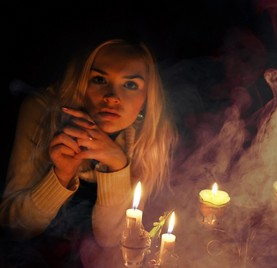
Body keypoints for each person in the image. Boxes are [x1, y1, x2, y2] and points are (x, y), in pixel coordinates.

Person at [0, 38, 178, 254]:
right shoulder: (41, 112)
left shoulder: (152, 135)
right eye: (99, 79)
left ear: (146, 97)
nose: (112, 98)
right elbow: (15, 228)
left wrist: (117, 164)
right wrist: (62, 175)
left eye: (130, 84)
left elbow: (112, 238)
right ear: (81, 83)